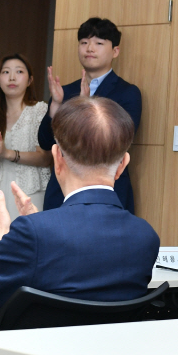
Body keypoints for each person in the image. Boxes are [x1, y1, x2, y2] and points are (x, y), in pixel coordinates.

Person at [0, 96, 160, 355]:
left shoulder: (36, 234)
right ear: (123, 164)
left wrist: (0, 237)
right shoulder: (145, 237)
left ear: (57, 157)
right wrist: (36, 229)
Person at [40, 17, 141, 213]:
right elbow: (45, 142)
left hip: (108, 189)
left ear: (115, 51)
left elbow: (118, 141)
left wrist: (83, 106)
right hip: (63, 190)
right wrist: (57, 104)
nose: (89, 48)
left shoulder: (127, 92)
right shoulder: (65, 91)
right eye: (84, 42)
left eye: (99, 43)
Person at [0, 54, 51, 253]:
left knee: (26, 251)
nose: (12, 77)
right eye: (5, 72)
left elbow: (45, 158)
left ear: (30, 80)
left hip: (31, 192)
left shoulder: (40, 110)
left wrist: (8, 153)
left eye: (19, 72)